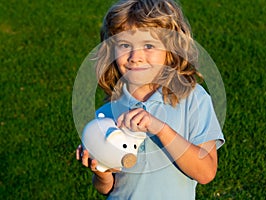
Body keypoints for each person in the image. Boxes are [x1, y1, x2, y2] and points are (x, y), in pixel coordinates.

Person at [76, 0, 225, 199]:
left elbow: (206, 172)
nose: (135, 57)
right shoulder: (109, 113)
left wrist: (161, 129)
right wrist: (100, 172)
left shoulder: (193, 99)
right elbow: (108, 188)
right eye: (124, 45)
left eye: (148, 45)